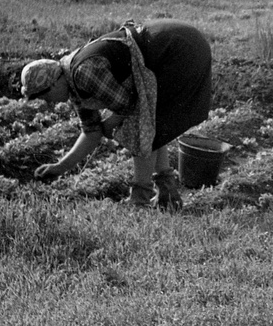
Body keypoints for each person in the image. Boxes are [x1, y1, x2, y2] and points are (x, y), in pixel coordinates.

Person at [22, 19, 212, 209]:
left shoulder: (83, 73)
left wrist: (111, 122)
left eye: (45, 96)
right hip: (175, 48)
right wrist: (60, 167)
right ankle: (168, 195)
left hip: (179, 49)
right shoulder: (73, 84)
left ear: (54, 82)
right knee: (152, 125)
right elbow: (92, 132)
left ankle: (141, 200)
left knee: (140, 125)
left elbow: (128, 105)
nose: (48, 102)